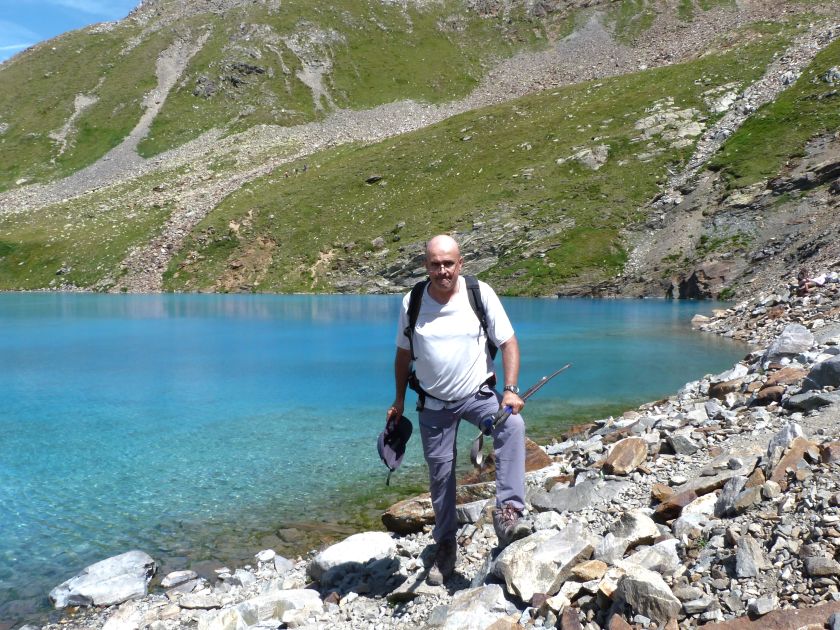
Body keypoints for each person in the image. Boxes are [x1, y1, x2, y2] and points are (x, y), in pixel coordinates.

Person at [386, 234, 529, 586]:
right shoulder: (413, 301)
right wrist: (399, 400)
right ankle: (446, 543)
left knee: (511, 426)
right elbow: (403, 355)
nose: (442, 271)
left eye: (448, 263)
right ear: (426, 266)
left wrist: (510, 390)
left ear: (460, 264)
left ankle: (508, 513)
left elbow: (508, 342)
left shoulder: (480, 293)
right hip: (432, 402)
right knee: (440, 474)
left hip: (477, 394)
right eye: (435, 264)